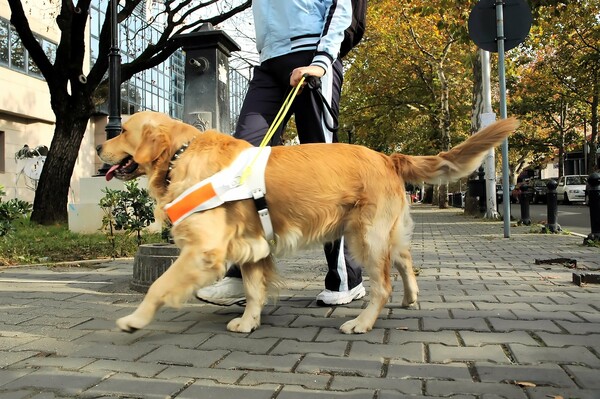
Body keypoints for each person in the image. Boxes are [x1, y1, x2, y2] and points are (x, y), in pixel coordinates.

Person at [195, 0, 365, 306]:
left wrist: (323, 60)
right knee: (242, 164)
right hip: (269, 63)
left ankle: (346, 277)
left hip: (313, 56)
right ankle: (241, 275)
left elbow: (340, 6)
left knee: (327, 174)